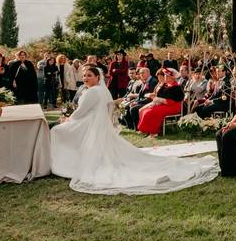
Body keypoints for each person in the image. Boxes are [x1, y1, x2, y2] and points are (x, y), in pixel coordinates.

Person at [49, 65, 217, 194]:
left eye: (89, 75)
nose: (85, 78)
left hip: (91, 124)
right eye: (84, 75)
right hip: (98, 124)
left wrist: (68, 119)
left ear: (97, 77)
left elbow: (81, 112)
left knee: (57, 131)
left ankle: (62, 163)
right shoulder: (103, 90)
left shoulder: (93, 92)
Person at [136, 69, 184, 138]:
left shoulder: (176, 87)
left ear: (172, 77)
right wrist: (157, 101)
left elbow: (173, 100)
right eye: (165, 76)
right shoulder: (165, 85)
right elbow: (159, 96)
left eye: (167, 76)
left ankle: (154, 132)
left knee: (150, 112)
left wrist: (160, 100)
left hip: (173, 106)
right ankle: (145, 130)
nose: (165, 77)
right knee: (144, 110)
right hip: (163, 104)